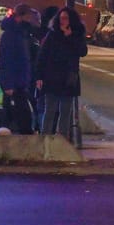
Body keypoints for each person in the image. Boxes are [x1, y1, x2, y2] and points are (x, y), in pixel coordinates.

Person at [36, 7, 88, 135]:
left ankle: (63, 140)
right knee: (50, 110)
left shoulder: (76, 34)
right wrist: (39, 76)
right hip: (52, 77)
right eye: (60, 18)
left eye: (65, 18)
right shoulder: (52, 35)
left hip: (68, 78)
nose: (62, 21)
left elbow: (82, 51)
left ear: (71, 20)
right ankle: (45, 139)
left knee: (66, 112)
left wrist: (69, 37)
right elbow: (42, 56)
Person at [0, 4, 37, 134]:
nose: (30, 19)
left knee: (12, 113)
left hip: (18, 81)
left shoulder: (20, 33)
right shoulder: (12, 35)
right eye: (28, 16)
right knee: (20, 113)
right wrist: (8, 84)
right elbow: (7, 60)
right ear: (21, 16)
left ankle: (4, 134)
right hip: (14, 82)